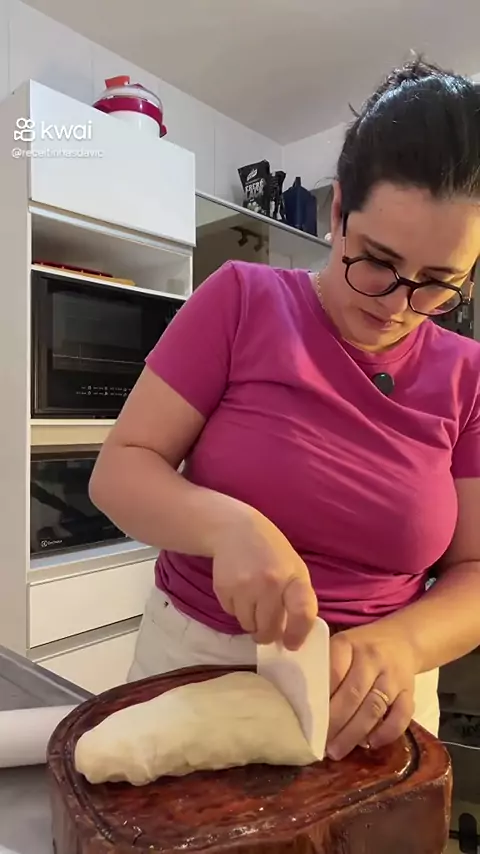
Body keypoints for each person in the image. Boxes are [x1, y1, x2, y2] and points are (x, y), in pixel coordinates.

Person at [90, 58, 480, 762]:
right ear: (338, 212)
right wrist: (228, 527)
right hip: (198, 664)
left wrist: (402, 643)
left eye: (438, 283)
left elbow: (474, 570)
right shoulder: (241, 300)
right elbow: (120, 471)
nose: (397, 306)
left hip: (373, 697)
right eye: (377, 260)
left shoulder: (469, 377)